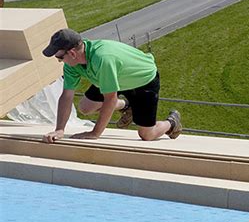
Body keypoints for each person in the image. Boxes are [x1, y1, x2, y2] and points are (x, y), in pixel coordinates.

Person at [41, 28, 182, 143]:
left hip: (142, 80)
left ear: (72, 53)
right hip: (114, 77)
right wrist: (60, 129)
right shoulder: (72, 64)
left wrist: (95, 133)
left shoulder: (102, 59)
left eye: (59, 57)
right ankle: (127, 105)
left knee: (147, 134)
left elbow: (110, 99)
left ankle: (172, 123)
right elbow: (67, 95)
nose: (59, 61)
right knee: (85, 107)